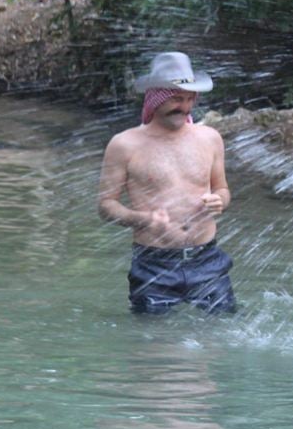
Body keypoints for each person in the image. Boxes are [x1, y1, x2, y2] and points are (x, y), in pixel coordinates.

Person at [98, 51, 236, 314]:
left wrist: (220, 201)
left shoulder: (209, 138)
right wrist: (144, 219)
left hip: (206, 258)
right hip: (153, 264)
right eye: (175, 99)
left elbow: (223, 189)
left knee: (221, 339)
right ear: (155, 96)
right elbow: (106, 205)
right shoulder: (124, 144)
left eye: (188, 99)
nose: (184, 107)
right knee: (154, 345)